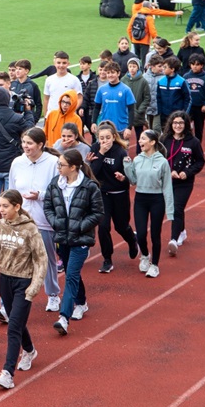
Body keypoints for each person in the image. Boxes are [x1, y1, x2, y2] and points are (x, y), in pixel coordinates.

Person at [0, 189, 47, 389]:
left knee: (13, 327)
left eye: (5, 206)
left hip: (24, 282)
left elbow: (41, 259)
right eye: (0, 206)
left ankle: (7, 374)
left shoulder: (30, 229)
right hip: (6, 280)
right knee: (17, 322)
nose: (1, 210)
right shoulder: (0, 226)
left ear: (17, 207)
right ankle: (29, 351)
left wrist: (34, 287)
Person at [43, 149, 103, 336]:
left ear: (74, 167)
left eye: (61, 165)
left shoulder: (89, 187)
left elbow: (98, 213)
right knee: (71, 272)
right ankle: (82, 302)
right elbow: (48, 206)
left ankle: (63, 317)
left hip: (81, 239)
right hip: (62, 238)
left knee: (71, 276)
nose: (58, 167)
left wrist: (80, 226)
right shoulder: (55, 184)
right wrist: (56, 222)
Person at [8, 128, 61, 312]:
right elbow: (12, 190)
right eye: (23, 142)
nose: (25, 146)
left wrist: (40, 195)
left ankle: (53, 294)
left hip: (43, 220)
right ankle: (8, 303)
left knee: (45, 259)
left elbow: (59, 191)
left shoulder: (54, 163)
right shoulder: (17, 162)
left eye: (29, 143)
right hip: (21, 221)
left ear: (40, 145)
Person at [0, 88, 35, 233]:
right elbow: (30, 130)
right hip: (11, 166)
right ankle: (10, 229)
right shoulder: (16, 118)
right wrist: (28, 111)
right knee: (10, 201)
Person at [87, 123, 138, 273]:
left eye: (108, 138)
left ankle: (132, 240)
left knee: (121, 226)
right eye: (101, 138)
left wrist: (123, 178)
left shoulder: (121, 152)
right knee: (103, 227)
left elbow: (130, 177)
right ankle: (107, 259)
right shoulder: (96, 149)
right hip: (102, 194)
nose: (105, 141)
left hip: (119, 194)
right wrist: (101, 153)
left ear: (114, 137)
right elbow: (93, 174)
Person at [124, 129, 174, 279]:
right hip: (140, 198)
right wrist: (127, 166)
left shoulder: (163, 162)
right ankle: (145, 255)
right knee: (140, 234)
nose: (139, 141)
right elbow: (133, 180)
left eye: (143, 139)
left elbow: (167, 187)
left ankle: (155, 265)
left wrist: (170, 211)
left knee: (155, 234)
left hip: (157, 200)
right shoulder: (137, 159)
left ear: (152, 142)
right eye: (139, 139)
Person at [161, 112, 205, 257]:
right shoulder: (164, 139)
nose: (178, 126)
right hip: (167, 180)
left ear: (186, 124)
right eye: (175, 123)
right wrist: (169, 171)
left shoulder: (193, 142)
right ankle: (182, 230)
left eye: (180, 123)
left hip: (184, 182)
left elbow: (200, 161)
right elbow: (159, 158)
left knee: (177, 207)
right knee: (173, 208)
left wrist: (187, 172)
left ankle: (173, 239)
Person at [128, 0, 182, 65]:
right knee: (144, 61)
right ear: (149, 7)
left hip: (135, 41)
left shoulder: (135, 15)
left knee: (136, 60)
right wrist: (156, 41)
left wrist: (132, 39)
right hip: (144, 42)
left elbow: (129, 29)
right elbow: (152, 31)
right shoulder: (149, 17)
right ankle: (143, 73)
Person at [92, 62, 136, 139]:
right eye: (108, 73)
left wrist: (129, 128)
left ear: (118, 73)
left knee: (122, 151)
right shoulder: (101, 89)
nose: (110, 75)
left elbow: (131, 110)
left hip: (121, 129)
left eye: (112, 72)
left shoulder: (126, 90)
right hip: (106, 129)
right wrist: (93, 122)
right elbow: (96, 107)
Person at [183, 55, 205, 145]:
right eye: (192, 64)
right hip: (188, 107)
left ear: (202, 65)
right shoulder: (186, 76)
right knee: (185, 126)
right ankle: (186, 144)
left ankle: (197, 145)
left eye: (197, 64)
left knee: (199, 128)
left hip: (200, 107)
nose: (194, 66)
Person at [42, 51, 82, 117]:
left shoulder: (74, 80)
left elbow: (79, 98)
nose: (61, 65)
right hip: (52, 117)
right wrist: (46, 116)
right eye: (58, 63)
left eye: (64, 63)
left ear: (68, 64)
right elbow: (46, 99)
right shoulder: (49, 80)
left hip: (68, 117)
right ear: (54, 63)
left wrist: (71, 110)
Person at [122, 57, 151, 146]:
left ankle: (140, 153)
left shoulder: (143, 81)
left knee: (139, 137)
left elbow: (147, 97)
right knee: (125, 137)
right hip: (126, 114)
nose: (132, 68)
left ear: (138, 67)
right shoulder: (123, 80)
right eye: (130, 66)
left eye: (134, 66)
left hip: (138, 114)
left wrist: (140, 110)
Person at [157, 57, 192, 126]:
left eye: (165, 67)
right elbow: (158, 98)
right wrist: (160, 111)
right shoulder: (160, 81)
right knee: (165, 134)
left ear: (172, 69)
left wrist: (184, 113)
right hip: (164, 115)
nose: (162, 69)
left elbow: (188, 98)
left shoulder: (181, 81)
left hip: (177, 115)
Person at [76, 56, 98, 132]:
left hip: (91, 108)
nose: (82, 66)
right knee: (79, 131)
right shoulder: (77, 79)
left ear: (89, 65)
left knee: (93, 131)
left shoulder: (95, 78)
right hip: (80, 108)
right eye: (80, 64)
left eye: (84, 63)